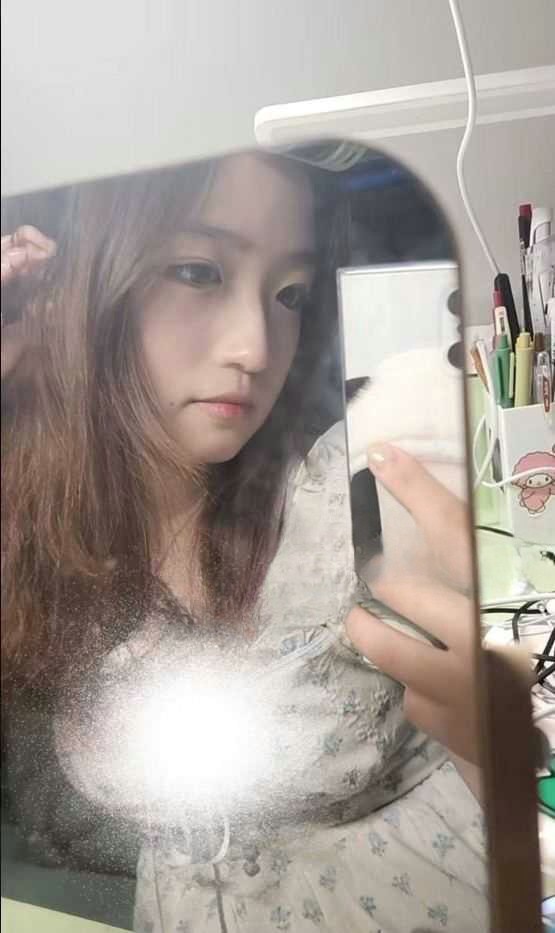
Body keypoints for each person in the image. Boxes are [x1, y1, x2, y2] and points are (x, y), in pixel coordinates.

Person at [1, 151, 487, 933]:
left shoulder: (347, 492)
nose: (256, 348)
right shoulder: (41, 534)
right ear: (82, 287)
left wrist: (498, 739)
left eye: (290, 294)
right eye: (198, 272)